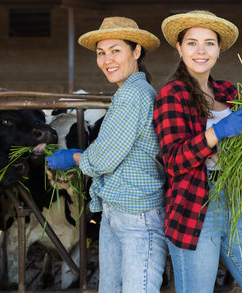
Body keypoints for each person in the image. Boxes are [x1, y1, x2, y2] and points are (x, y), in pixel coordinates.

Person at [153, 10, 242, 293]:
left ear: (219, 49)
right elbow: (174, 160)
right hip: (196, 208)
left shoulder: (230, 91)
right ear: (179, 48)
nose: (201, 51)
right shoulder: (172, 94)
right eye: (192, 43)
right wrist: (217, 132)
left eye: (209, 43)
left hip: (239, 203)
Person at [46, 17, 167, 293]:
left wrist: (76, 157)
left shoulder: (131, 95)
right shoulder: (133, 91)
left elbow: (103, 159)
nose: (107, 59)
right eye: (101, 53)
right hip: (120, 210)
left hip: (137, 216)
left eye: (116, 50)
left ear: (136, 52)